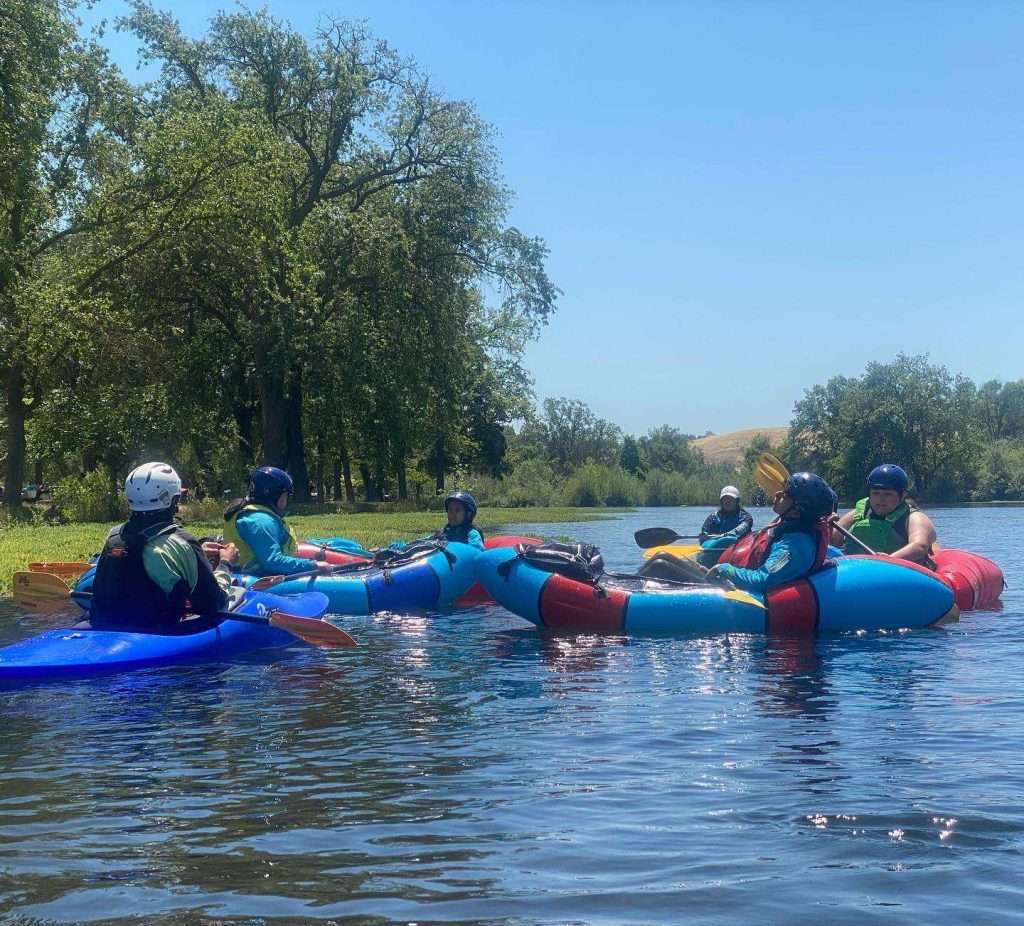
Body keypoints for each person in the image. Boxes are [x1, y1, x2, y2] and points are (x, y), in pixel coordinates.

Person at [90, 462, 239, 632]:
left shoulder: (114, 535)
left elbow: (145, 557)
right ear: (173, 500)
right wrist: (225, 564)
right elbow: (215, 604)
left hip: (104, 627)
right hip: (154, 635)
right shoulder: (182, 542)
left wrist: (194, 553)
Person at [707, 472, 836, 595]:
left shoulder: (793, 548)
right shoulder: (792, 525)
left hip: (741, 584)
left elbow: (762, 580)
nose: (778, 493)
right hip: (734, 563)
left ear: (796, 511)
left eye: (785, 495)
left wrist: (726, 570)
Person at [223, 466, 335, 577]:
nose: (287, 500)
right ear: (274, 496)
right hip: (257, 578)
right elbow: (272, 562)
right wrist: (312, 566)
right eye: (285, 495)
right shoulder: (260, 521)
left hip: (256, 572)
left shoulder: (253, 514)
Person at [832, 464, 937, 565]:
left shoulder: (914, 518)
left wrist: (888, 560)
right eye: (875, 493)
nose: (880, 499)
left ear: (903, 495)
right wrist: (826, 527)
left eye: (888, 494)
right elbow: (833, 540)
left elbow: (919, 546)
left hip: (898, 573)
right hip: (856, 569)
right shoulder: (859, 513)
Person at [697, 485, 754, 566]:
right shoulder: (714, 516)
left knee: (729, 539)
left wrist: (726, 536)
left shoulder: (746, 517)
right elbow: (704, 532)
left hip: (738, 545)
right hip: (715, 544)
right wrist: (704, 535)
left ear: (737, 501)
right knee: (708, 544)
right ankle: (705, 562)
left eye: (731, 499)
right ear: (721, 501)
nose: (727, 501)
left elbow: (738, 531)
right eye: (725, 499)